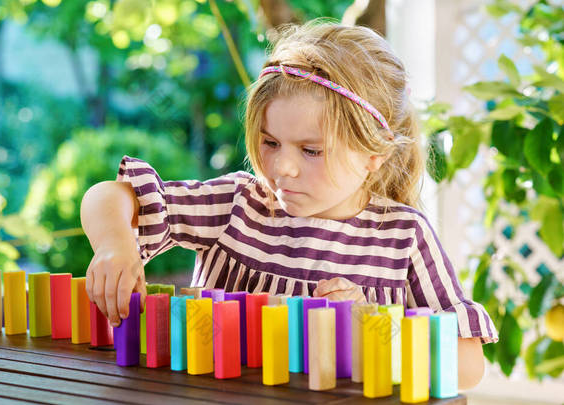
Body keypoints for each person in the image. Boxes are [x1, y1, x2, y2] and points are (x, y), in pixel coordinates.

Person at [81, 20, 497, 389]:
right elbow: (113, 196)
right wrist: (115, 244)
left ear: (375, 155)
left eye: (311, 150)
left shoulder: (404, 237)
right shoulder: (238, 206)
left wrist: (369, 330)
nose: (282, 167)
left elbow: (467, 364)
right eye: (270, 142)